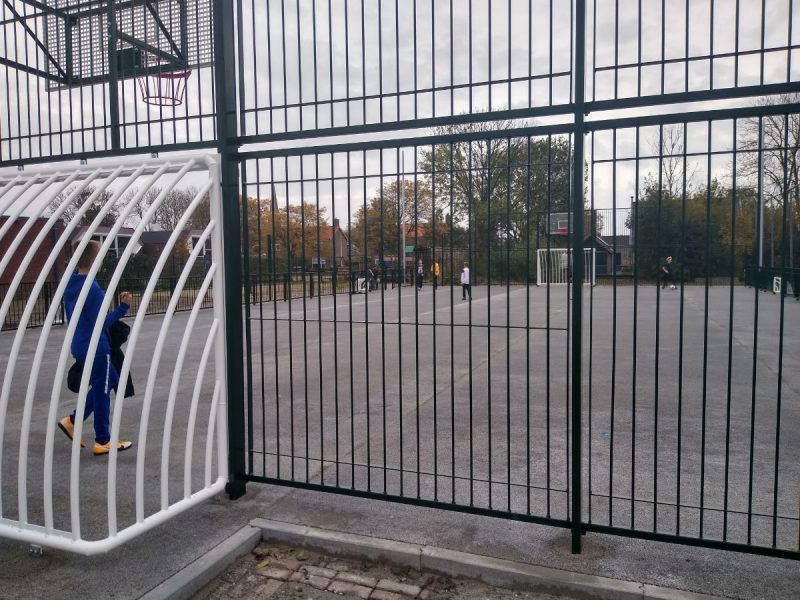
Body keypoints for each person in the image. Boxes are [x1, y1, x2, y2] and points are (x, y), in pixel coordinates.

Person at [58, 240, 134, 456]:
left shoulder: (71, 284)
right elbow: (102, 322)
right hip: (96, 347)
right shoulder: (91, 288)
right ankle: (103, 440)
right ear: (95, 260)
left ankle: (72, 421)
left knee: (111, 381)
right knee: (102, 390)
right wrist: (123, 307)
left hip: (80, 344)